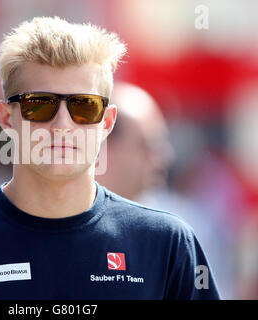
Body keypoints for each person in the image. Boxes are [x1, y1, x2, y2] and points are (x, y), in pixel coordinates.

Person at [0, 16, 220, 300]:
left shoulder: (167, 243)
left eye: (84, 106)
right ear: (8, 117)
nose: (62, 125)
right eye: (40, 104)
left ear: (106, 121)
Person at [97, 82, 234, 298]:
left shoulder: (182, 230)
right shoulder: (59, 222)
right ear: (103, 144)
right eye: (148, 145)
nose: (165, 157)